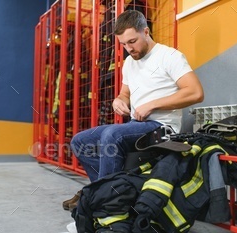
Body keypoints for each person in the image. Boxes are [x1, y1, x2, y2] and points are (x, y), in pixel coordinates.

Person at [62, 10, 204, 211]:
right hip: (136, 125)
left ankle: (104, 201)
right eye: (123, 45)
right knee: (79, 141)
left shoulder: (170, 56)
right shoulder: (129, 63)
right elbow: (124, 94)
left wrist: (153, 104)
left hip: (163, 128)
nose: (129, 49)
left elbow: (196, 92)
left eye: (132, 41)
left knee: (112, 134)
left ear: (146, 32)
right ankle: (107, 191)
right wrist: (118, 101)